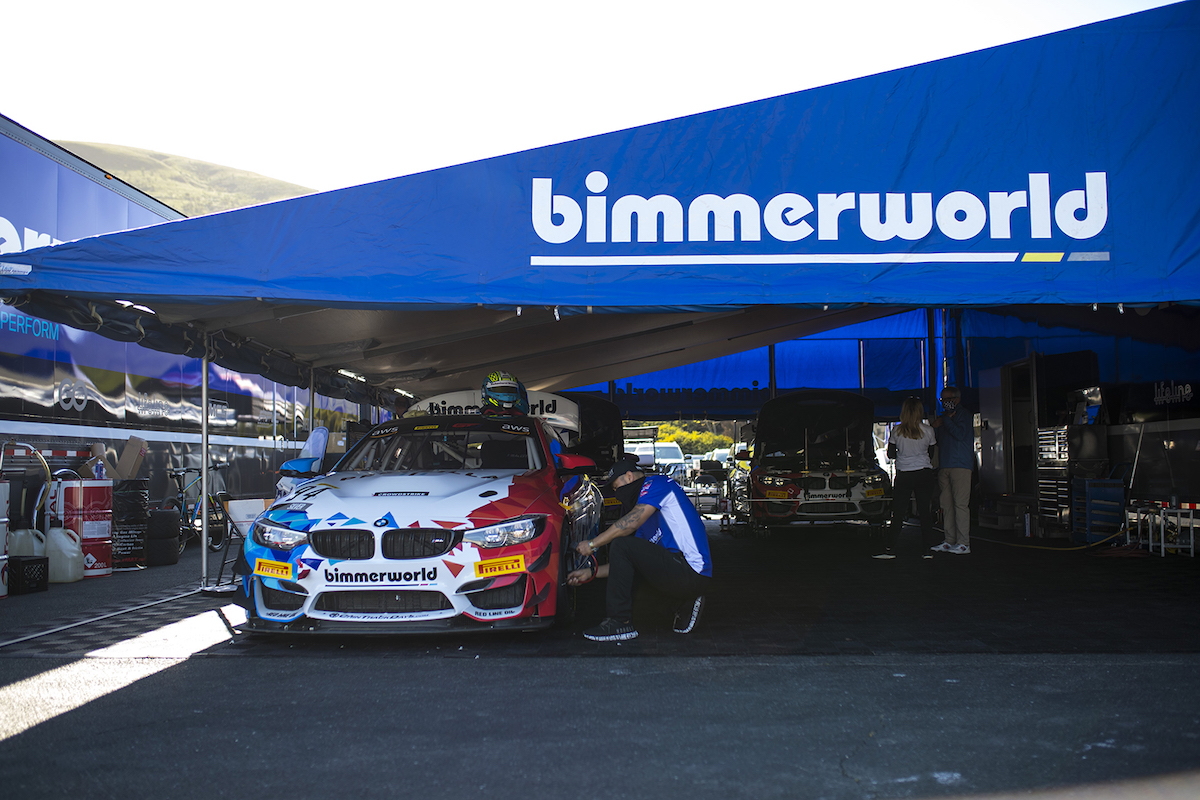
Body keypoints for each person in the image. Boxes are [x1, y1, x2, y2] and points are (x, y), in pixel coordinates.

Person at [568, 455, 712, 641]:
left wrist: (592, 544)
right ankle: (683, 602)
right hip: (678, 573)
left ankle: (620, 623)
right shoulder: (645, 524)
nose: (616, 492)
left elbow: (630, 523)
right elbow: (626, 564)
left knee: (621, 543)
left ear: (629, 477)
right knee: (627, 556)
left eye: (615, 486)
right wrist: (591, 573)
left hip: (691, 570)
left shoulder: (657, 483)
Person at [878, 397, 937, 559]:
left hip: (904, 473)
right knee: (925, 511)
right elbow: (931, 454)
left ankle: (890, 548)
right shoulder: (928, 430)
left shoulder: (897, 431)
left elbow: (890, 454)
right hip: (924, 473)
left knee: (898, 512)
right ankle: (927, 550)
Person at [930, 386, 973, 555]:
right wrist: (935, 426)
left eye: (948, 399)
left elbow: (960, 434)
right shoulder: (944, 418)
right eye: (943, 400)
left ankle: (963, 542)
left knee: (960, 504)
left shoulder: (964, 415)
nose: (945, 403)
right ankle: (949, 540)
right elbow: (936, 440)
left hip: (961, 465)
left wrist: (946, 421)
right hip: (945, 464)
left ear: (957, 399)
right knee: (946, 504)